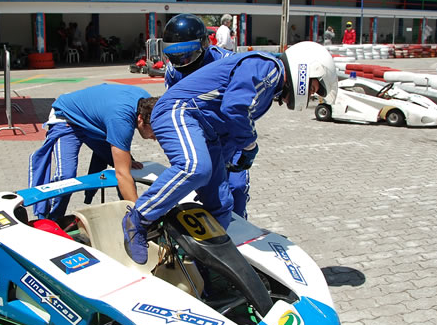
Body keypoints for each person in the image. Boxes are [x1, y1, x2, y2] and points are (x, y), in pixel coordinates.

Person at [123, 41, 338, 264]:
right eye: (312, 89)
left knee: (222, 205)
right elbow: (234, 108)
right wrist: (250, 145)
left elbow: (227, 128)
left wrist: (223, 166)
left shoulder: (270, 86)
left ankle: (201, 263)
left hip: (206, 128)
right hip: (178, 109)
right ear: (306, 70)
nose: (310, 95)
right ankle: (137, 220)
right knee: (194, 167)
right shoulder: (267, 67)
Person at [161, 13, 252, 218]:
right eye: (176, 56)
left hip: (230, 136)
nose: (182, 62)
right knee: (214, 198)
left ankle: (240, 230)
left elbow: (242, 107)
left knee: (237, 188)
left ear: (204, 44)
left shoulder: (229, 64)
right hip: (203, 140)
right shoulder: (173, 71)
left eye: (187, 55)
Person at [28, 84, 158, 222]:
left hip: (95, 121)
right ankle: (51, 220)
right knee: (66, 176)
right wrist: (142, 218)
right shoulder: (121, 120)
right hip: (67, 119)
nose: (155, 138)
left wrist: (125, 161)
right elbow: (122, 175)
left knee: (128, 170)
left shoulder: (146, 102)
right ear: (141, 120)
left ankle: (127, 216)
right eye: (154, 132)